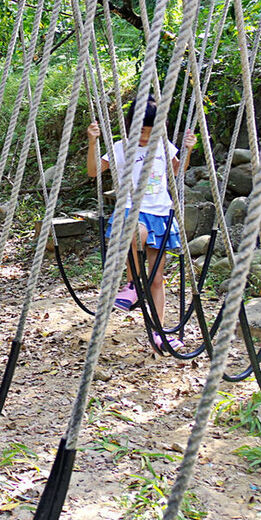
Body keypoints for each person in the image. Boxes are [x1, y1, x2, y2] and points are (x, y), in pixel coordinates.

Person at [86, 97, 195, 352]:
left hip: (161, 213)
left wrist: (188, 150)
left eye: (149, 132)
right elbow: (93, 171)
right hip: (131, 211)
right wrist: (92, 142)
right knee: (136, 232)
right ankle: (133, 283)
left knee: (157, 277)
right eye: (141, 132)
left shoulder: (163, 146)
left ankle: (160, 333)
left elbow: (177, 171)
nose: (144, 138)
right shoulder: (122, 147)